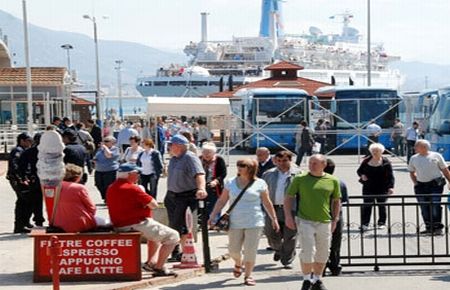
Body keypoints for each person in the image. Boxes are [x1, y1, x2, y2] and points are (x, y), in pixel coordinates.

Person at [208, 158, 280, 286]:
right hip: (235, 221)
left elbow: (267, 202)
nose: (239, 167)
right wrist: (213, 215)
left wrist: (274, 219)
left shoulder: (260, 183)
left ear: (251, 168)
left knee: (250, 250)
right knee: (233, 250)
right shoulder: (230, 182)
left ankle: (248, 275)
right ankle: (238, 262)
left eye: (243, 165)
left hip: (255, 221)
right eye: (238, 165)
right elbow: (222, 201)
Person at [107, 163, 180, 276]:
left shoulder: (111, 187)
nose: (138, 176)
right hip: (135, 223)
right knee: (173, 236)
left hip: (119, 224)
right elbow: (154, 205)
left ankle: (151, 262)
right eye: (137, 173)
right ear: (129, 174)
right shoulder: (132, 188)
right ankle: (159, 268)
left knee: (154, 234)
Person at [284, 154, 341, 290]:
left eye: (315, 163)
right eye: (310, 163)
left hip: (324, 220)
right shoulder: (300, 179)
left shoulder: (332, 180)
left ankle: (317, 279)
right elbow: (289, 197)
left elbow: (336, 200)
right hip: (305, 220)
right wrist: (288, 216)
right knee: (307, 251)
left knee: (323, 251)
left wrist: (335, 218)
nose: (311, 165)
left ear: (324, 165)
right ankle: (306, 279)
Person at [164, 134, 207, 262]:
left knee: (180, 226)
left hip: (185, 196)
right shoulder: (174, 158)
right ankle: (176, 252)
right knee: (172, 225)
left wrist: (201, 188)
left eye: (171, 144)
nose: (169, 146)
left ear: (179, 146)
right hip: (172, 196)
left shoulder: (190, 157)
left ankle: (182, 252)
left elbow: (199, 175)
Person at [262, 150, 299, 269]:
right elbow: (262, 193)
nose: (281, 163)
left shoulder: (298, 174)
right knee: (270, 233)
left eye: (284, 160)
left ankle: (287, 259)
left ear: (290, 160)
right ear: (275, 161)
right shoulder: (268, 174)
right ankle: (278, 249)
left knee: (290, 236)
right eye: (278, 161)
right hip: (273, 208)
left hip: (291, 209)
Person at [408, 139, 450, 235]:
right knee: (424, 206)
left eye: (416, 146)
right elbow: (411, 172)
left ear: (424, 147)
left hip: (435, 185)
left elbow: (445, 170)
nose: (414, 148)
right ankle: (429, 227)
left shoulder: (436, 156)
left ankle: (437, 227)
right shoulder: (414, 158)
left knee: (435, 205)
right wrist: (415, 182)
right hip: (421, 185)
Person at [357, 143, 395, 231]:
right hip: (368, 187)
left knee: (381, 205)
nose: (375, 152)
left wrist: (391, 187)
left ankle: (381, 223)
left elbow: (390, 176)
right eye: (373, 151)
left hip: (382, 187)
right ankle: (365, 223)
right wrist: (362, 175)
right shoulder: (366, 161)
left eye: (377, 151)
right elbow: (359, 171)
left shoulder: (386, 162)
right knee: (367, 205)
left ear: (381, 152)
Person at [52, 164, 100, 232]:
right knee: (106, 222)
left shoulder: (54, 187)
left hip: (59, 223)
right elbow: (92, 208)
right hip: (80, 222)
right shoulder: (79, 188)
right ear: (78, 177)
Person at [323, 158, 348, 276]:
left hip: (320, 215)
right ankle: (335, 265)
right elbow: (344, 200)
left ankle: (321, 266)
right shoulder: (340, 182)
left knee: (320, 242)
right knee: (336, 241)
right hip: (337, 215)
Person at [7, 132, 34, 233]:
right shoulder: (17, 151)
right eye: (28, 141)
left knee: (26, 201)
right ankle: (19, 225)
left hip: (23, 178)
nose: (30, 143)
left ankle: (25, 222)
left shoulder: (24, 150)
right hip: (18, 179)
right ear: (21, 141)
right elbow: (15, 166)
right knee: (23, 201)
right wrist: (21, 179)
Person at [18, 133, 45, 228]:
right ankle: (52, 220)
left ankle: (39, 221)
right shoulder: (50, 151)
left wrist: (25, 177)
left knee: (37, 201)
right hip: (49, 178)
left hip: (36, 178)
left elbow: (22, 167)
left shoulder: (29, 152)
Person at [199, 142, 227, 217]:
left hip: (215, 187)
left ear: (214, 153)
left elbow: (223, 173)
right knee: (201, 206)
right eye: (205, 152)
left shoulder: (219, 160)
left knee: (215, 206)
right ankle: (202, 222)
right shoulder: (199, 159)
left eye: (209, 153)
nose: (206, 154)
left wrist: (216, 181)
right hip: (201, 186)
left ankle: (214, 223)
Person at [93, 136, 120, 201]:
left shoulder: (115, 149)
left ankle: (108, 198)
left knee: (108, 186)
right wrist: (94, 160)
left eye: (107, 141)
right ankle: (105, 197)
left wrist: (105, 147)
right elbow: (96, 156)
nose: (104, 143)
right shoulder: (100, 149)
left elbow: (109, 155)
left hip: (110, 170)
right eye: (104, 141)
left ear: (113, 142)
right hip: (99, 170)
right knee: (98, 184)